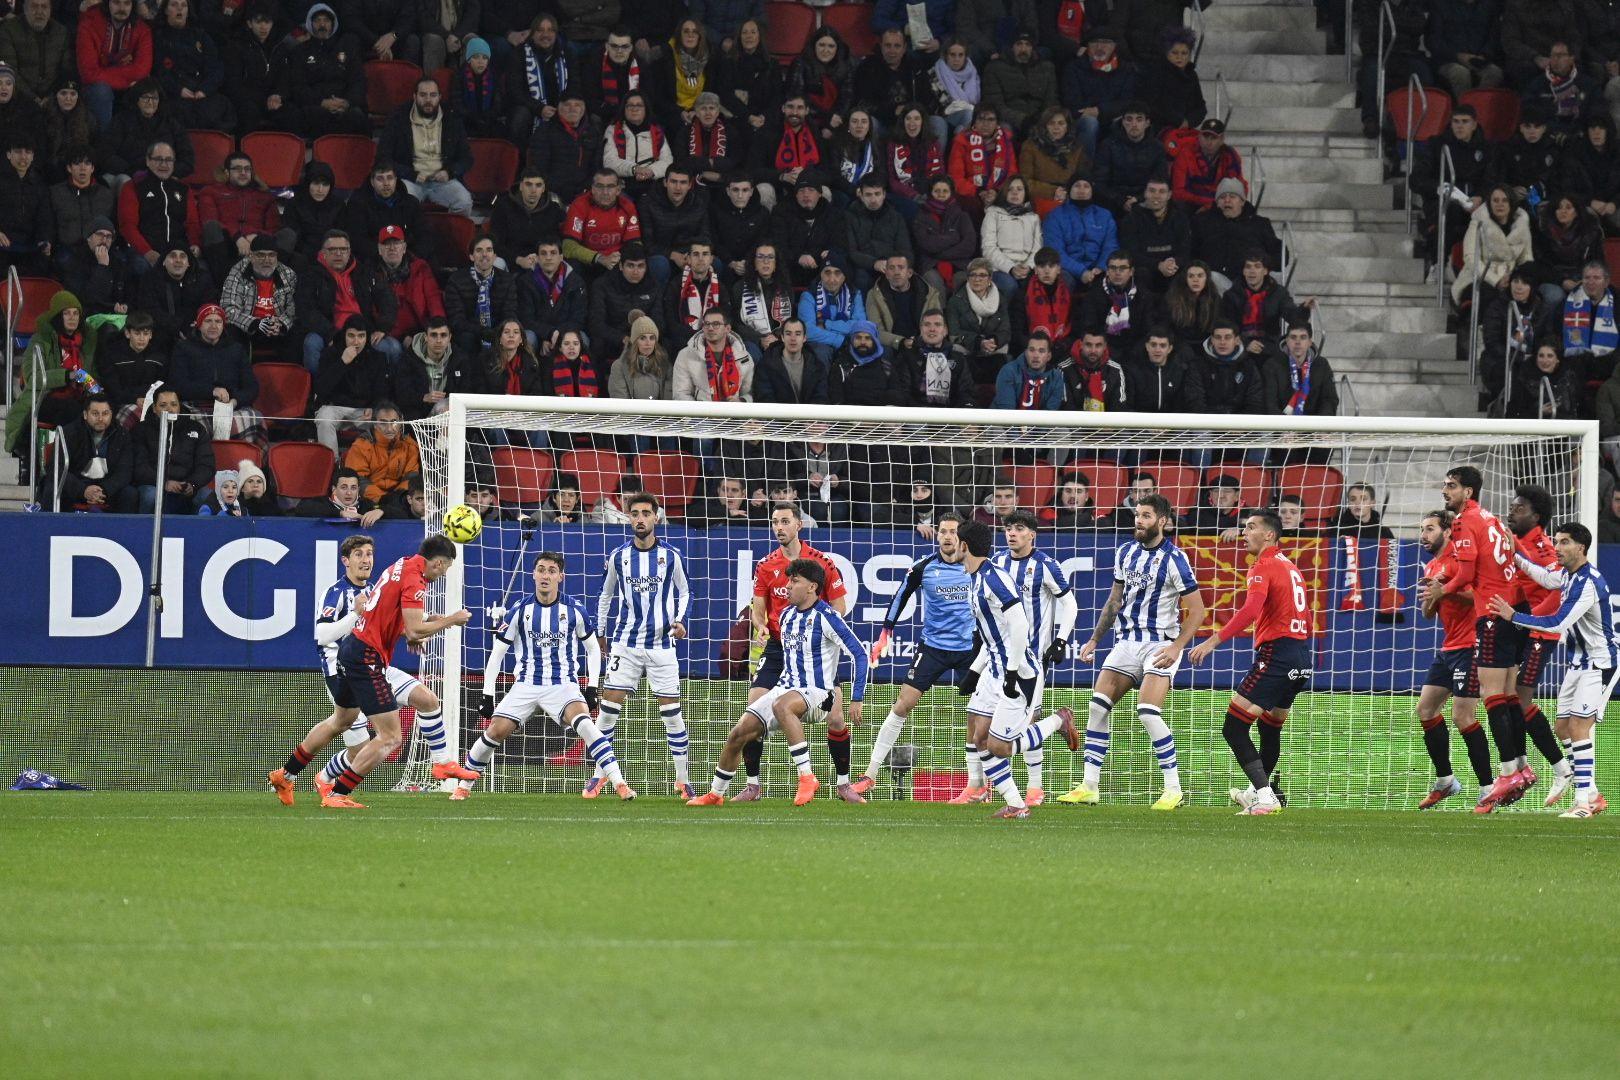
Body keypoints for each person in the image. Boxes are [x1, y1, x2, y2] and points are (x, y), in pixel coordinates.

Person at [266, 533, 474, 807]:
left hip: (359, 654)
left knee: (416, 702)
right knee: (388, 738)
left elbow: (396, 619)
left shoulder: (400, 566)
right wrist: (450, 620)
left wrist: (416, 627)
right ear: (437, 563)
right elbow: (323, 634)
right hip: (361, 659)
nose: (366, 560)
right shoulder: (340, 592)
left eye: (369, 554)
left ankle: (285, 774)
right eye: (359, 555)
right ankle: (336, 792)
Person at [1060, 493, 1205, 808]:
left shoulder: (1175, 559)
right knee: (1098, 706)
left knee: (1148, 713)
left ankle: (1173, 789)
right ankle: (1089, 786)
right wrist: (1095, 640)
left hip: (1160, 644)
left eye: (1146, 516)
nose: (1139, 521)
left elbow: (1198, 611)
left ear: (1162, 521)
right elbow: (1114, 600)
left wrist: (1178, 646)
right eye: (1137, 515)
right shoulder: (1125, 552)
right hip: (1126, 642)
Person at [688, 556, 868, 807]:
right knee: (738, 733)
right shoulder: (785, 616)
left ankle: (807, 777)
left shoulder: (828, 617)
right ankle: (715, 793)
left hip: (820, 694)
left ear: (812, 587)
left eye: (795, 581)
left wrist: (857, 697)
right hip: (786, 688)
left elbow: (860, 654)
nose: (788, 587)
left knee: (782, 705)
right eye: (788, 581)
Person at [1419, 466, 1531, 813]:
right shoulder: (1434, 565)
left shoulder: (1465, 535)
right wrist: (1435, 595)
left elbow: (1470, 583)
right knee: (1425, 710)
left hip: (1475, 638)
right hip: (1450, 646)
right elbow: (1428, 612)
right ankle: (1447, 780)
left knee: (1468, 713)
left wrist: (1447, 589)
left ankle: (1491, 785)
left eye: (1430, 528)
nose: (1424, 534)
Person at [1187, 509, 1311, 816]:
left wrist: (1212, 641)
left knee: (1234, 726)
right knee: (1270, 729)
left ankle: (1266, 797)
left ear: (1269, 535)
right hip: (1301, 658)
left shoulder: (1263, 565)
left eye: (1251, 527)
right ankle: (1258, 793)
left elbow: (1250, 611)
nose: (1244, 532)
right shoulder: (1290, 567)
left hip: (1277, 656)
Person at [1491, 522, 1612, 818]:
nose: (1557, 547)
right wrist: (1515, 552)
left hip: (1600, 663)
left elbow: (1558, 622)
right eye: (1556, 541)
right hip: (1578, 662)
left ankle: (1583, 802)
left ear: (1580, 548)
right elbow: (1544, 577)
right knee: (1562, 728)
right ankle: (1593, 794)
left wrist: (1513, 615)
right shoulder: (1569, 576)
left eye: (1564, 542)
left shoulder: (1588, 583)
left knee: (1579, 728)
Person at [731, 503, 849, 800]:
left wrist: (823, 634)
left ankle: (844, 785)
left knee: (836, 719)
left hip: (813, 649)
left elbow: (840, 607)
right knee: (754, 708)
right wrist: (759, 627)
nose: (779, 527)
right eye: (774, 522)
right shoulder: (766, 565)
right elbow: (758, 611)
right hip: (778, 645)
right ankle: (752, 784)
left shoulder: (821, 562)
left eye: (785, 521)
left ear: (799, 525)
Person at [855, 512, 976, 792]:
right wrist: (886, 633)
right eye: (942, 531)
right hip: (933, 648)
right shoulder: (924, 567)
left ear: (962, 537)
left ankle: (976, 785)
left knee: (978, 714)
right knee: (903, 704)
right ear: (937, 535)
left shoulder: (975, 568)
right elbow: (901, 596)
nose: (947, 536)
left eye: (952, 531)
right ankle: (870, 774)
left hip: (970, 649)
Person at [593, 492, 695, 798]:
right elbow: (605, 596)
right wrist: (600, 632)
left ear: (656, 518)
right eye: (634, 513)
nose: (640, 518)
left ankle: (682, 779)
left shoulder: (672, 556)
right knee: (608, 712)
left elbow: (686, 592)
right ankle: (600, 776)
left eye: (645, 513)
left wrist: (680, 620)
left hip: (663, 646)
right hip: (625, 644)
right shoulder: (618, 556)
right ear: (629, 518)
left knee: (673, 714)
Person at [951, 517, 1048, 818]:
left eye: (955, 540)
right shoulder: (976, 578)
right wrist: (975, 672)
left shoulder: (994, 577)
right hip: (994, 671)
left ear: (964, 545)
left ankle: (1059, 721)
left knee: (998, 746)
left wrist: (1012, 671)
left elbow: (1020, 624)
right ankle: (1016, 805)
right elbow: (993, 638)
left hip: (1019, 673)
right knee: (978, 737)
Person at [988, 509, 1079, 804]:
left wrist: (1061, 639)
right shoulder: (997, 563)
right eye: (1008, 528)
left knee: (1029, 719)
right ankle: (981, 785)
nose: (1012, 533)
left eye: (1018, 528)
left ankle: (1034, 787)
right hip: (1000, 655)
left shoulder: (1046, 565)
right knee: (988, 719)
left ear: (1032, 534)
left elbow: (1071, 604)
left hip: (1032, 658)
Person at [1504, 484, 1579, 802]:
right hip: (1522, 628)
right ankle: (1521, 765)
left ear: (1537, 516)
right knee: (1507, 699)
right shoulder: (1516, 542)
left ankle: (1562, 768)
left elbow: (1554, 592)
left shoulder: (1546, 549)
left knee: (1519, 699)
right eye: (1512, 506)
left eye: (1519, 508)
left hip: (1539, 633)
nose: (1511, 511)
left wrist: (1530, 622)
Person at [5, 289, 100, 462]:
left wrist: (95, 389)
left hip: (79, 398)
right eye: (66, 313)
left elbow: (94, 374)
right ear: (57, 316)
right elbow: (33, 377)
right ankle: (77, 461)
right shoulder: (40, 340)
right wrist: (67, 375)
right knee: (75, 412)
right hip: (44, 398)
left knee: (101, 410)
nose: (72, 318)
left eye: (75, 313)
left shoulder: (87, 343)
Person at [377, 77, 474, 215]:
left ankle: (450, 236)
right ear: (415, 96)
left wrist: (449, 172)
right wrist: (410, 174)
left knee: (464, 202)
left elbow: (467, 158)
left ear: (439, 97)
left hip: (443, 180)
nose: (428, 100)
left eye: (433, 95)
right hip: (410, 179)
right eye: (423, 95)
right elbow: (383, 157)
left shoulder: (452, 119)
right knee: (399, 201)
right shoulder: (398, 118)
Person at [169, 303, 263, 443]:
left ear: (223, 325)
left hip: (231, 407)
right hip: (194, 407)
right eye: (208, 321)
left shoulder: (236, 349)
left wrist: (235, 401)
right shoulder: (183, 348)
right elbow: (178, 384)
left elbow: (252, 387)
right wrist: (212, 391)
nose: (213, 326)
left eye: (218, 321)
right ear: (199, 325)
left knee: (255, 417)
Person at [282, 3, 370, 138]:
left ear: (333, 24)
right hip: (315, 105)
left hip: (344, 104)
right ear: (310, 25)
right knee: (305, 115)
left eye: (326, 20)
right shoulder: (299, 52)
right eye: (317, 21)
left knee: (356, 116)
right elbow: (298, 86)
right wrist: (322, 102)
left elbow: (358, 81)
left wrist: (347, 102)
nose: (322, 25)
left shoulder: (347, 48)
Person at [116, 140, 200, 272]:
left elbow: (192, 223)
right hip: (144, 250)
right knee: (142, 268)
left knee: (200, 269)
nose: (164, 164)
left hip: (178, 252)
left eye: (168, 160)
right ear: (148, 161)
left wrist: (195, 244)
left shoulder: (183, 189)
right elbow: (127, 226)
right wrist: (148, 252)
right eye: (158, 159)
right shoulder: (133, 187)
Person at [131, 384, 215, 514]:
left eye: (174, 404)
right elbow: (139, 466)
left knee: (207, 497)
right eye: (163, 405)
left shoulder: (196, 428)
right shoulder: (141, 430)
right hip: (153, 484)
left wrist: (192, 484)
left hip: (187, 486)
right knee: (150, 496)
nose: (169, 409)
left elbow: (206, 464)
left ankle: (198, 534)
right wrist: (164, 483)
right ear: (154, 408)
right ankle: (144, 533)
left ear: (179, 406)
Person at [151, 0, 233, 130]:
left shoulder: (200, 35)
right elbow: (158, 71)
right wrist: (178, 89)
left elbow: (215, 67)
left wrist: (204, 89)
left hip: (201, 91)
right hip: (173, 93)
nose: (180, 9)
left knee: (222, 107)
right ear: (166, 10)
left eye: (183, 5)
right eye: (174, 5)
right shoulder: (158, 37)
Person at [45, 393, 133, 512]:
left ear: (112, 414)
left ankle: (122, 530)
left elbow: (124, 471)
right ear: (85, 414)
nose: (101, 418)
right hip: (76, 486)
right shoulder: (68, 433)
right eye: (95, 413)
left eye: (105, 413)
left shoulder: (122, 435)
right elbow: (56, 468)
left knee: (130, 493)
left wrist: (103, 490)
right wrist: (83, 490)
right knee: (52, 489)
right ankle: (53, 528)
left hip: (105, 489)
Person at [313, 317, 390, 453]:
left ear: (367, 337)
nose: (356, 342)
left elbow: (382, 391)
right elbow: (321, 389)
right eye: (351, 336)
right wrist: (342, 363)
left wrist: (374, 407)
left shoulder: (377, 358)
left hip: (364, 411)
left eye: (361, 336)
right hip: (336, 408)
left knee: (384, 418)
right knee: (324, 416)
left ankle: (375, 465)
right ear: (344, 335)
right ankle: (332, 464)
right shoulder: (330, 354)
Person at [1061, 28, 1137, 160]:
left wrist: (1100, 110)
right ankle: (1085, 170)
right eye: (1094, 43)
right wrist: (1093, 113)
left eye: (1106, 43)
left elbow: (1128, 101)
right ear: (1087, 47)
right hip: (1083, 120)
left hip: (1111, 117)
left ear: (1114, 46)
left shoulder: (1126, 69)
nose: (1100, 47)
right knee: (1090, 123)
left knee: (1125, 122)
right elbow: (1071, 102)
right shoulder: (1074, 68)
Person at [1454, 185, 1534, 310]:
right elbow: (1470, 258)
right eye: (1495, 200)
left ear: (1511, 203)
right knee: (1493, 296)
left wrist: (1513, 279)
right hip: (1479, 278)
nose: (1500, 204)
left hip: (1510, 278)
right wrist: (1496, 280)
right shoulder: (1478, 222)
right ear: (1489, 203)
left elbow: (1526, 259)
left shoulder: (1522, 225)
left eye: (1504, 200)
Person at [76, 0, 154, 127]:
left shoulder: (142, 29)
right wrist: (127, 78)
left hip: (122, 84)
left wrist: (105, 74)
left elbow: (142, 70)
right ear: (107, 3)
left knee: (145, 89)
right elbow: (88, 73)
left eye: (127, 3)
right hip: (95, 87)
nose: (122, 8)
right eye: (116, 2)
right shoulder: (88, 25)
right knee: (101, 91)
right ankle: (104, 142)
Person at [443, 235, 521, 361]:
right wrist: (482, 332)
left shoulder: (507, 280)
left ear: (495, 256)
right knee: (466, 339)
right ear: (471, 256)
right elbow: (457, 320)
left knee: (517, 336)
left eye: (489, 250)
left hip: (499, 331)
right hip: (469, 332)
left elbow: (509, 313)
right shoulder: (456, 280)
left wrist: (498, 333)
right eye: (479, 250)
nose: (484, 254)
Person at [1078, 250, 1162, 358]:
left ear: (1131, 271)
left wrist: (1134, 353)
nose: (1117, 272)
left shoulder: (1143, 295)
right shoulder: (1094, 295)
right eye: (1113, 268)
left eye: (1122, 268)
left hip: (1136, 353)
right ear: (1107, 271)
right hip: (1103, 352)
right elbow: (1089, 329)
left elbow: (1148, 330)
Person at [528, 91, 602, 207]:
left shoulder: (593, 132)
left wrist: (587, 188)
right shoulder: (544, 131)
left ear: (583, 108)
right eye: (567, 105)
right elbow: (540, 168)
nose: (572, 109)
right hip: (553, 192)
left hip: (586, 192)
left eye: (577, 105)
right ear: (558, 108)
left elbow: (596, 167)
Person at [1093, 101, 1167, 215]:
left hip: (1146, 201)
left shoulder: (1157, 148)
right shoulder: (1108, 145)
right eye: (1129, 119)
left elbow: (1160, 180)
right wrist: (1121, 200)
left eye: (1139, 119)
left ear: (1147, 123)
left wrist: (1139, 199)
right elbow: (1100, 182)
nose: (1134, 124)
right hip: (1113, 201)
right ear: (1122, 122)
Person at [562, 169, 642, 273]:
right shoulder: (579, 205)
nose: (605, 192)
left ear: (618, 190)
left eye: (610, 187)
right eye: (600, 187)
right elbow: (568, 246)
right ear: (593, 189)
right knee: (572, 264)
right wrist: (599, 258)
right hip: (586, 263)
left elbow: (635, 243)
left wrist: (619, 258)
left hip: (616, 262)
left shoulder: (627, 206)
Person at [1044, 171, 1116, 286]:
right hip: (1068, 270)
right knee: (1063, 280)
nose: (1082, 190)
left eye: (1086, 186)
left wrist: (1101, 267)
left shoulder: (1104, 215)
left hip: (1098, 270)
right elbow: (1055, 251)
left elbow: (1110, 246)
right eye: (1077, 185)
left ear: (1092, 190)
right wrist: (1081, 272)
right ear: (1069, 190)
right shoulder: (1055, 216)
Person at [911, 174, 979, 291]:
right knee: (933, 281)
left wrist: (940, 254)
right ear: (930, 192)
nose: (941, 194)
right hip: (931, 265)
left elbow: (969, 246)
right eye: (937, 191)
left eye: (945, 191)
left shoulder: (962, 216)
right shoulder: (921, 216)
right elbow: (926, 244)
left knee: (963, 280)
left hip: (959, 264)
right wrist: (953, 238)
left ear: (951, 193)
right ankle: (938, 310)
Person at [342, 401, 419, 504]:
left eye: (394, 422)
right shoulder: (361, 445)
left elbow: (411, 477)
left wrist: (397, 498)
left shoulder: (410, 445)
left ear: (401, 423)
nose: (389, 428)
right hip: (368, 501)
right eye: (383, 423)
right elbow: (357, 479)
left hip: (400, 500)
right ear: (374, 424)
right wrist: (381, 499)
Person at [948, 257, 1011, 382]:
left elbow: (1006, 331)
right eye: (973, 275)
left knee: (1003, 357)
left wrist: (994, 340)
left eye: (982, 275)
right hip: (967, 349)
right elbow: (954, 334)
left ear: (989, 279)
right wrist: (978, 342)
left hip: (993, 349)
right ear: (968, 278)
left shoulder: (1001, 299)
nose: (977, 279)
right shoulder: (955, 301)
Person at [601, 91, 672, 201]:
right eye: (630, 105)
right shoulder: (613, 129)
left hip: (651, 184)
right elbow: (609, 161)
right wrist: (635, 169)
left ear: (646, 109)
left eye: (639, 105)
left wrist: (650, 171)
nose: (634, 109)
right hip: (622, 186)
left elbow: (667, 161)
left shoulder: (657, 131)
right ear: (624, 109)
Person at [948, 104, 1018, 213]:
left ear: (997, 124)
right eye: (981, 119)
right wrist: (978, 192)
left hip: (999, 192)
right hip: (971, 194)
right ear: (974, 122)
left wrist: (997, 191)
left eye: (991, 120)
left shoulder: (1005, 141)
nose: (985, 124)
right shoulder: (962, 141)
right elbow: (955, 178)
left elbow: (1012, 173)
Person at [1561, 260, 1618, 383]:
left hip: (1610, 363)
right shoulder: (1567, 303)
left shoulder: (1617, 305)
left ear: (1606, 282)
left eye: (1596, 278)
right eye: (1587, 278)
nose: (1591, 282)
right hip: (1575, 364)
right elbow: (1556, 333)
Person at [1126, 326, 1205, 413]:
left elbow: (1187, 404)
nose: (1157, 350)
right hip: (1140, 423)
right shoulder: (1133, 371)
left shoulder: (1180, 371)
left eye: (1162, 346)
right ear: (1147, 346)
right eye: (1153, 345)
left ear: (1169, 349)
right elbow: (1128, 406)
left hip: (1172, 423)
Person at [1142, 27, 1205, 134]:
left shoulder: (1191, 75)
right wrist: (1178, 121)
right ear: (1167, 54)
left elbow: (1200, 107)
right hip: (1159, 131)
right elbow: (1153, 105)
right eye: (1174, 53)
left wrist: (1188, 122)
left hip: (1185, 130)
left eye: (1184, 53)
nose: (1179, 57)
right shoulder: (1157, 74)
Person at [1171, 118, 1242, 212]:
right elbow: (1178, 192)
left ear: (1221, 139)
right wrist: (1209, 203)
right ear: (1199, 136)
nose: (1209, 142)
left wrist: (1212, 204)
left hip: (1220, 203)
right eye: (1205, 137)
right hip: (1191, 204)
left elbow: (1237, 186)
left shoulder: (1230, 155)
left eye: (1213, 138)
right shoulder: (1185, 153)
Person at [753, 317, 828, 405]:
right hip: (777, 417)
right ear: (782, 337)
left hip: (810, 417)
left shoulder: (817, 366)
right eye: (788, 334)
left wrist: (807, 417)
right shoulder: (766, 364)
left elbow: (821, 398)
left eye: (798, 334)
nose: (793, 338)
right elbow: (765, 398)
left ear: (804, 338)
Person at [993, 330, 1065, 411]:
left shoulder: (1056, 377)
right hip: (1005, 422)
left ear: (1049, 356)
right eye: (1031, 350)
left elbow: (1050, 413)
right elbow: (1007, 411)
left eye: (1041, 351)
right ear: (1026, 353)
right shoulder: (1008, 371)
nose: (1036, 355)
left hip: (1042, 423)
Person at [295, 466, 384, 524]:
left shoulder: (366, 505)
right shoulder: (322, 502)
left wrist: (381, 511)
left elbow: (396, 512)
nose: (349, 493)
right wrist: (340, 513)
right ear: (334, 489)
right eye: (344, 487)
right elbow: (301, 508)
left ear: (358, 490)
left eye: (353, 488)